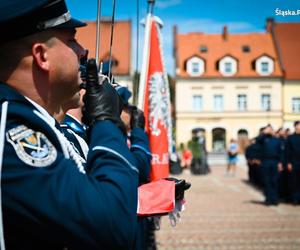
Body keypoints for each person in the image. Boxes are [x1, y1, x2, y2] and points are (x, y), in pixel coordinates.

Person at [0, 1, 139, 249]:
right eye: (71, 40)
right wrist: (106, 121)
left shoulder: (27, 120)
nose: (84, 51)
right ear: (42, 55)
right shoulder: (12, 130)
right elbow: (112, 226)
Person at [256, 124, 283, 206]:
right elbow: (257, 141)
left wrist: (280, 163)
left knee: (274, 181)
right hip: (265, 161)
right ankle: (268, 199)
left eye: (270, 129)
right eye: (268, 129)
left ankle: (274, 199)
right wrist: (264, 133)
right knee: (267, 181)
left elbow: (280, 152)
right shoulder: (263, 139)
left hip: (275, 162)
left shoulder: (277, 140)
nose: (269, 130)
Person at [286, 121, 300, 205]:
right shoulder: (290, 138)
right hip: (294, 162)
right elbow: (287, 151)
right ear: (295, 127)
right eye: (298, 126)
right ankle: (295, 199)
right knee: (294, 182)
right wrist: (288, 163)